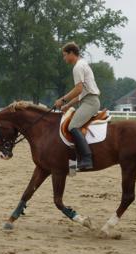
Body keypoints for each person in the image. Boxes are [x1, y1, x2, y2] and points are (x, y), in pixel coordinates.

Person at [54, 42, 101, 170]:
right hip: (87, 100)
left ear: (71, 53)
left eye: (64, 55)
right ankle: (74, 162)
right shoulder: (82, 64)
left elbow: (78, 89)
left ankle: (87, 159)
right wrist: (67, 105)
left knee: (72, 126)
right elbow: (81, 94)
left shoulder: (77, 67)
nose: (64, 58)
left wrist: (62, 100)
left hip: (90, 102)